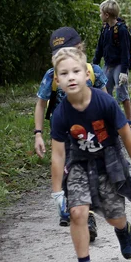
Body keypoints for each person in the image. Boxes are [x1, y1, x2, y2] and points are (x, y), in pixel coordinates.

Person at [49, 47, 131, 262]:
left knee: (113, 216)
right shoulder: (61, 114)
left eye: (75, 71)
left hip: (109, 160)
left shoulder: (104, 101)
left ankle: (123, 229)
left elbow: (125, 133)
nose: (70, 77)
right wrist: (56, 192)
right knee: (78, 212)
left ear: (87, 74)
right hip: (80, 164)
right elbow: (58, 154)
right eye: (64, 73)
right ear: (57, 80)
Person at [34, 27, 104, 237]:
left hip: (90, 133)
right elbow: (41, 104)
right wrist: (38, 133)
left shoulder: (93, 72)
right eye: (57, 54)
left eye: (68, 50)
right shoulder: (52, 76)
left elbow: (106, 102)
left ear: (79, 49)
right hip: (62, 132)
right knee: (66, 169)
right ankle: (67, 204)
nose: (63, 56)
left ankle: (87, 216)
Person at [92, 0, 131, 129]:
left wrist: (124, 71)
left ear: (106, 15)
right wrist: (94, 65)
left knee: (122, 92)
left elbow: (125, 52)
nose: (100, 15)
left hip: (119, 66)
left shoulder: (121, 30)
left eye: (101, 13)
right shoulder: (105, 29)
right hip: (107, 65)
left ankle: (129, 120)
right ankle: (110, 119)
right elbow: (99, 48)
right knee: (105, 93)